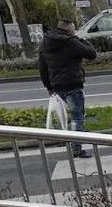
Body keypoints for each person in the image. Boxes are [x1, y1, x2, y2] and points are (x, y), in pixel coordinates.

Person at [38, 18, 98, 158]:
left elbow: (42, 67)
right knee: (77, 118)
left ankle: (73, 140)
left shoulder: (44, 42)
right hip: (73, 83)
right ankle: (76, 149)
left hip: (57, 86)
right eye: (73, 29)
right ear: (69, 29)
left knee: (71, 117)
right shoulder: (70, 42)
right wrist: (80, 38)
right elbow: (91, 54)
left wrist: (48, 86)